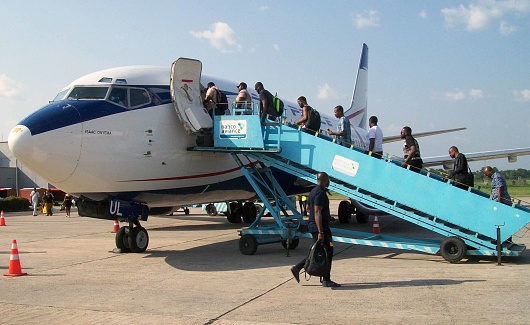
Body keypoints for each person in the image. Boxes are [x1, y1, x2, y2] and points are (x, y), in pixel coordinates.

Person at [290, 172, 341, 288]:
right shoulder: (320, 193)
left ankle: (297, 268)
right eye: (328, 180)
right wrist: (321, 231)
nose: (329, 182)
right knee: (327, 251)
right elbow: (317, 211)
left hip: (316, 225)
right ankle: (326, 279)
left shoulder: (313, 191)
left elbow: (308, 208)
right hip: (319, 228)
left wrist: (327, 217)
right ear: (324, 180)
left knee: (319, 250)